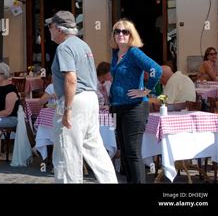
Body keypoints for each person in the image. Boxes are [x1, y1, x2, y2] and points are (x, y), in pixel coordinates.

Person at [47, 11, 117, 183]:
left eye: (50, 26)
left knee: (67, 151)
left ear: (58, 28)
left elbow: (71, 78)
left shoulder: (64, 47)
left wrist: (68, 109)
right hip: (90, 98)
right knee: (95, 148)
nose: (49, 30)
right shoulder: (83, 45)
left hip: (76, 99)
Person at [110, 19, 162, 184]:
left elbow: (156, 69)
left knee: (133, 153)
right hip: (119, 108)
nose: (120, 34)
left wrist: (146, 90)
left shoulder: (134, 53)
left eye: (125, 32)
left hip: (135, 108)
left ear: (131, 35)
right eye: (117, 31)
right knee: (125, 153)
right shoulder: (115, 54)